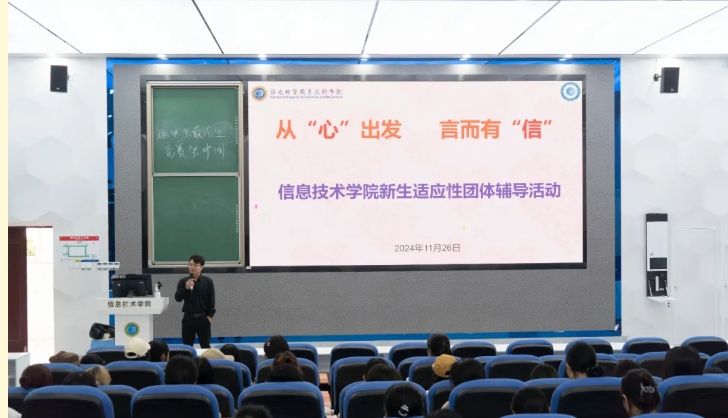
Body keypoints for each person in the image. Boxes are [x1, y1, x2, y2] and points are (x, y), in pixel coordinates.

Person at [175, 254, 216, 348]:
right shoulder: (183, 281)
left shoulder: (208, 281)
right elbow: (177, 298)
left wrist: (209, 317)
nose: (192, 267)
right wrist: (186, 288)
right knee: (187, 347)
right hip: (188, 318)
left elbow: (211, 300)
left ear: (201, 267)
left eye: (195, 265)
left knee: (205, 346)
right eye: (190, 265)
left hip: (203, 318)